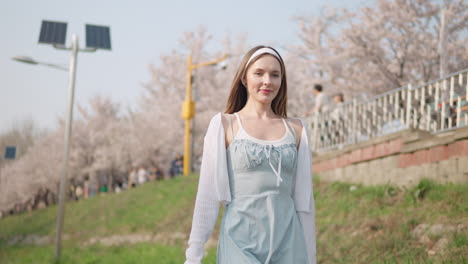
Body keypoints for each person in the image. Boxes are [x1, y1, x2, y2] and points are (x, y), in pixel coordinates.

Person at [184, 46, 316, 264]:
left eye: (275, 75)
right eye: (259, 73)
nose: (267, 81)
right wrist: (194, 256)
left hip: (289, 245)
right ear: (244, 78)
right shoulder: (224, 125)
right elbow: (207, 195)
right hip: (239, 241)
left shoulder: (298, 129)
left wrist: (310, 258)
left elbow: (304, 202)